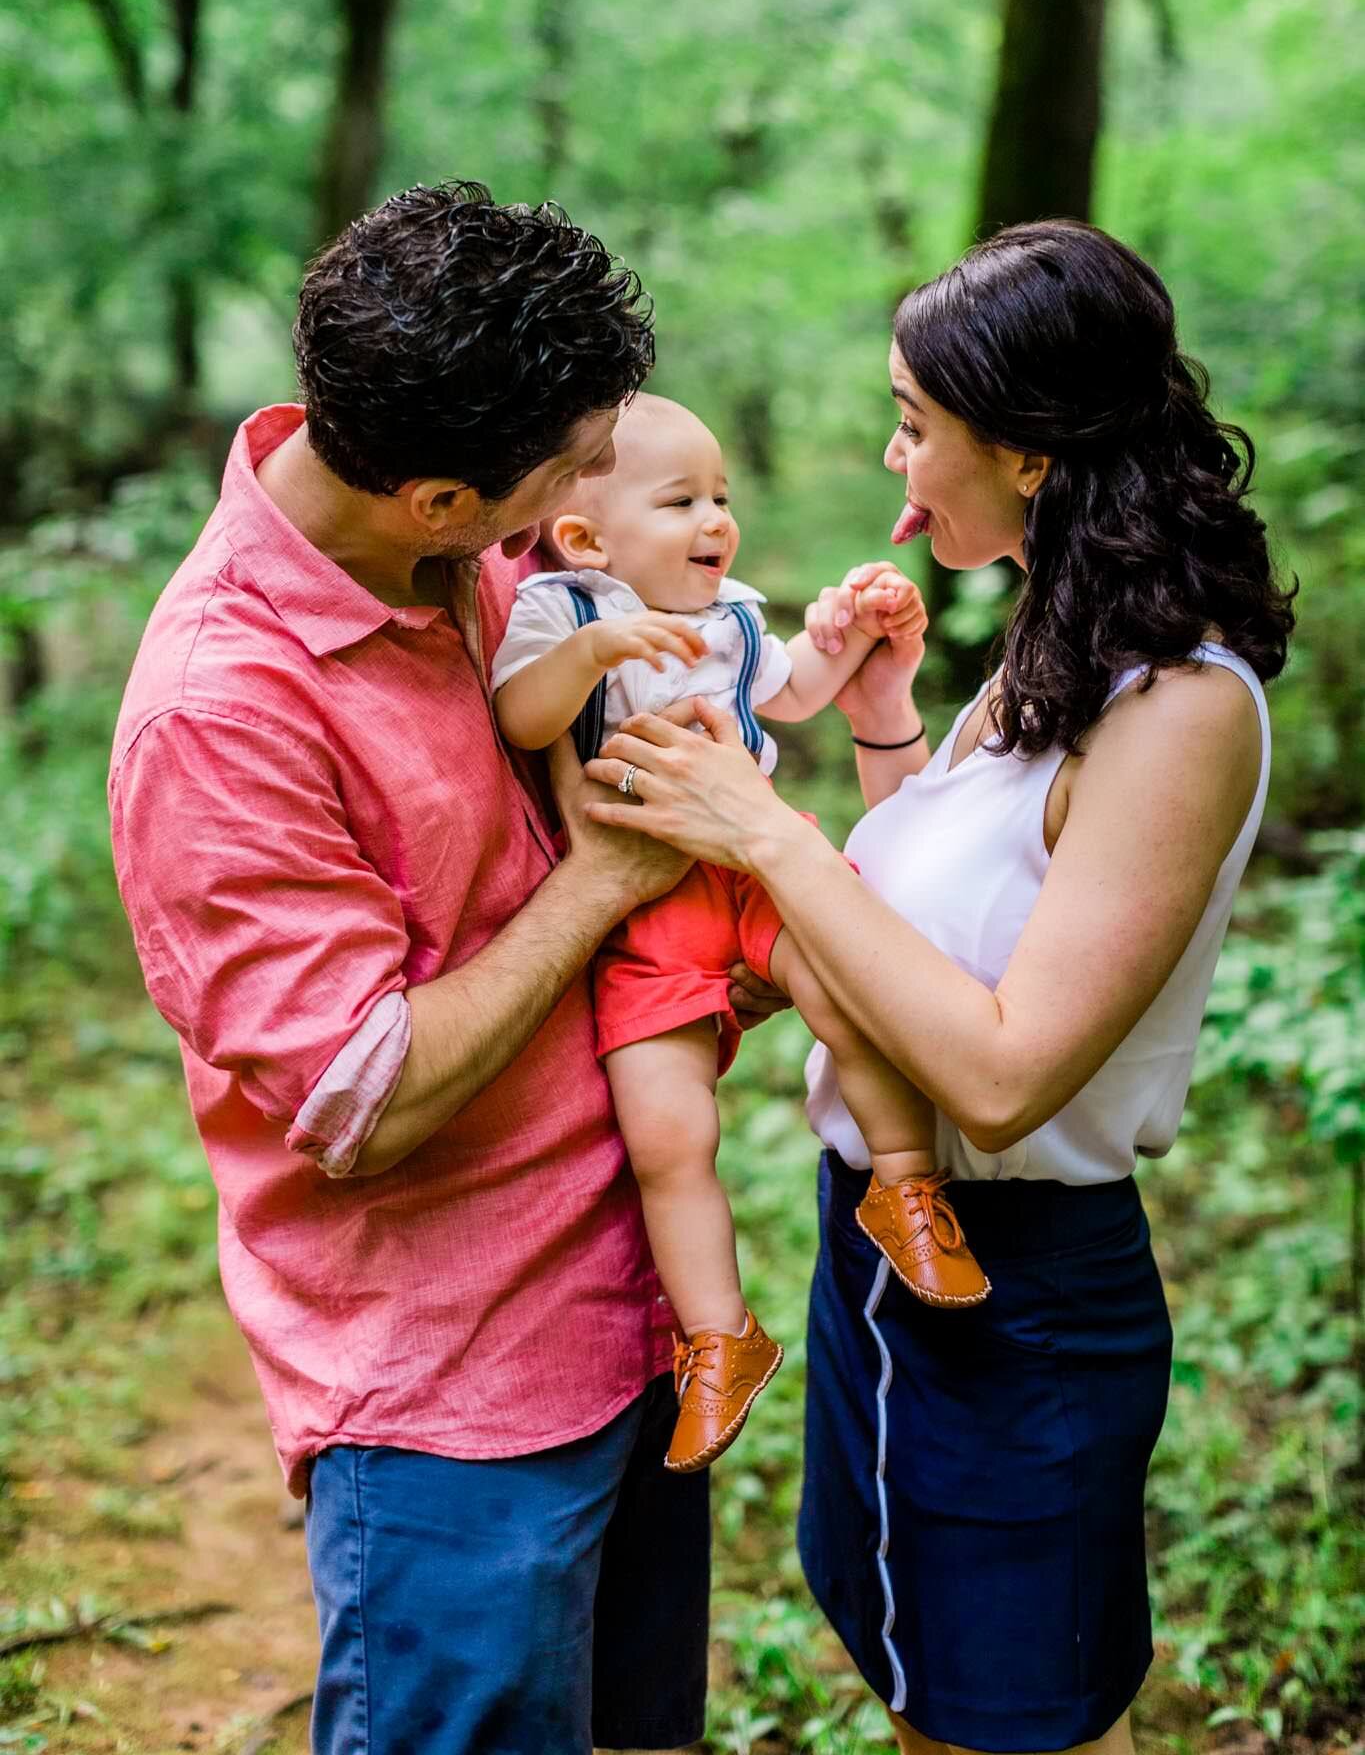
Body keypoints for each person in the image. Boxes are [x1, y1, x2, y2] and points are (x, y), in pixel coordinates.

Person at [575, 220, 1296, 1755]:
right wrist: (890, 728)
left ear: (1027, 450)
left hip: (1016, 1290)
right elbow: (938, 906)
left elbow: (999, 1067)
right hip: (884, 1260)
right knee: (918, 1688)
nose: (891, 461)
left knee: (1002, 1717)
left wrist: (760, 832)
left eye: (915, 424)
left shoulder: (1179, 704)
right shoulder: (1061, 634)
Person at [107, 180, 790, 1755]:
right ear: (433, 497)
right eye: (568, 475)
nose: (584, 503)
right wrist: (609, 884)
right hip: (453, 1393)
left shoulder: (496, 570)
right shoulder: (222, 711)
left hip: (633, 1312)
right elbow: (356, 1099)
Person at [489, 393, 989, 1473]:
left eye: (723, 496)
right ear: (583, 537)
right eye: (683, 501)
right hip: (643, 906)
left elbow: (799, 695)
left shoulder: (738, 618)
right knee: (667, 1135)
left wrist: (846, 639)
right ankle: (719, 1333)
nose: (718, 518)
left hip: (763, 864)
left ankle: (904, 1186)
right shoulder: (559, 612)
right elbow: (524, 719)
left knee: (849, 999)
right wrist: (598, 649)